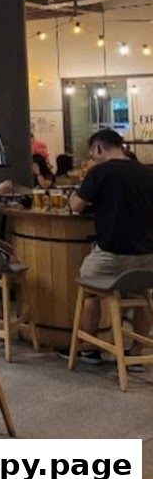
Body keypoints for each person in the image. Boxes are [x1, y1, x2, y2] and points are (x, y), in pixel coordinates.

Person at [68, 129, 153, 365]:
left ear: (98, 148)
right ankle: (136, 353)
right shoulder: (147, 172)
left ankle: (90, 349)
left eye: (92, 152)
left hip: (112, 256)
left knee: (90, 290)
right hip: (148, 258)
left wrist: (75, 191)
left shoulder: (100, 172)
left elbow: (76, 206)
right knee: (142, 294)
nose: (93, 157)